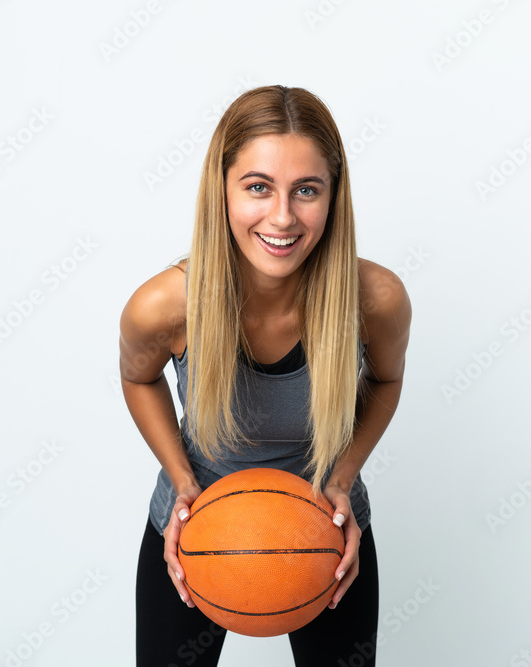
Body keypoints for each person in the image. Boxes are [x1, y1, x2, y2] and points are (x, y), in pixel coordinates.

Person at [119, 84, 411, 667]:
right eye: (258, 187)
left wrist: (342, 478)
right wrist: (182, 481)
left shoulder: (375, 299)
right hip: (197, 535)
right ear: (222, 189)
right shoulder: (164, 305)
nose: (282, 217)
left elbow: (385, 381)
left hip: (324, 537)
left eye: (306, 190)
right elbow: (138, 378)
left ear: (333, 196)